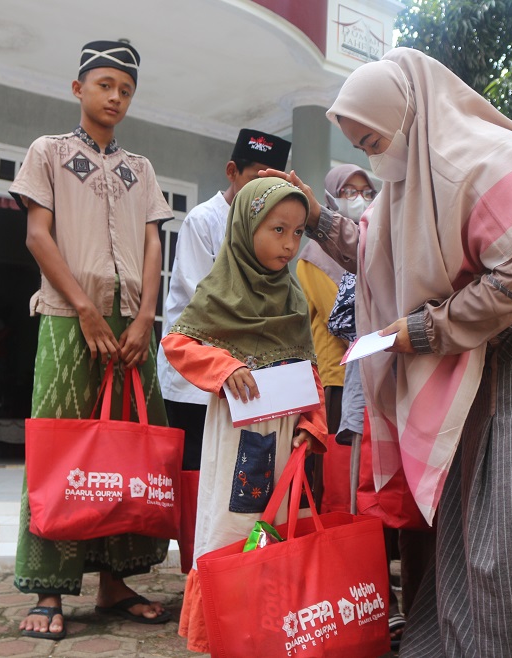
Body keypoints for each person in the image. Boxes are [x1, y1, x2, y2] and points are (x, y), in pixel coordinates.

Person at [265, 47, 512, 657]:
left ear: (406, 113)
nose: (371, 156)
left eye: (373, 138)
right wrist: (312, 217)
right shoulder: (411, 186)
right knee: (481, 481)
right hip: (495, 331)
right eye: (359, 146)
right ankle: (481, 633)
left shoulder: (486, 157)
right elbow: (379, 250)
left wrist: (426, 330)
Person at [9, 40, 174, 640]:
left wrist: (143, 317)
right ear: (78, 89)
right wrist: (84, 308)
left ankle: (115, 582)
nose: (116, 97)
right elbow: (35, 234)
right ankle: (49, 587)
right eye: (105, 84)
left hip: (131, 325)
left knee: (127, 448)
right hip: (66, 316)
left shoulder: (143, 169)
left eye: (126, 89)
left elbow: (155, 245)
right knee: (62, 447)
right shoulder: (47, 152)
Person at [161, 178, 328, 654]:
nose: (290, 244)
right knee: (233, 528)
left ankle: (274, 630)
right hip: (238, 435)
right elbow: (178, 343)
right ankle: (225, 631)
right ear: (246, 226)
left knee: (280, 527)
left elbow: (309, 369)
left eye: (297, 233)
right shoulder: (220, 292)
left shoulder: (292, 298)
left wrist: (312, 424)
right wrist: (224, 366)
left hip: (287, 439)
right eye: (278, 229)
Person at [156, 129, 291, 471]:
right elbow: (204, 304)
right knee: (194, 475)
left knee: (231, 479)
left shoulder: (271, 231)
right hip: (196, 378)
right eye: (253, 178)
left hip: (244, 378)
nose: (263, 191)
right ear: (232, 172)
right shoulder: (204, 220)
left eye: (273, 183)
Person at [295, 164, 375, 512]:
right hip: (339, 379)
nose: (359, 199)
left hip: (375, 376)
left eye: (367, 192)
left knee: (369, 473)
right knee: (343, 482)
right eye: (349, 192)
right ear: (330, 198)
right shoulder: (314, 257)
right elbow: (342, 320)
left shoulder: (374, 245)